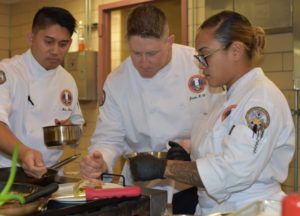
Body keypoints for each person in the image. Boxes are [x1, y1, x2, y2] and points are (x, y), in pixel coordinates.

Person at [129, 10, 295, 215]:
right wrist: (189, 157)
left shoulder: (261, 101)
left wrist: (164, 167)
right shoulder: (226, 99)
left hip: (249, 209)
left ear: (235, 51)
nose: (200, 64)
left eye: (205, 55)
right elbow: (220, 153)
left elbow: (235, 170)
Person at [79, 4, 223, 214]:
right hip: (140, 187)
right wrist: (99, 161)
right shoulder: (117, 81)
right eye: (136, 53)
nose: (144, 62)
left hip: (191, 184)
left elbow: (222, 122)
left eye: (152, 53)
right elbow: (109, 138)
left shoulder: (198, 65)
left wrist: (194, 145)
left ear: (170, 42)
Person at [0, 7, 84, 179]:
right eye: (48, 41)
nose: (56, 51)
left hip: (51, 175)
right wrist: (24, 153)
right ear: (31, 38)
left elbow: (77, 128)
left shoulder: (67, 80)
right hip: (8, 175)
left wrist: (70, 130)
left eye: (63, 44)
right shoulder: (8, 72)